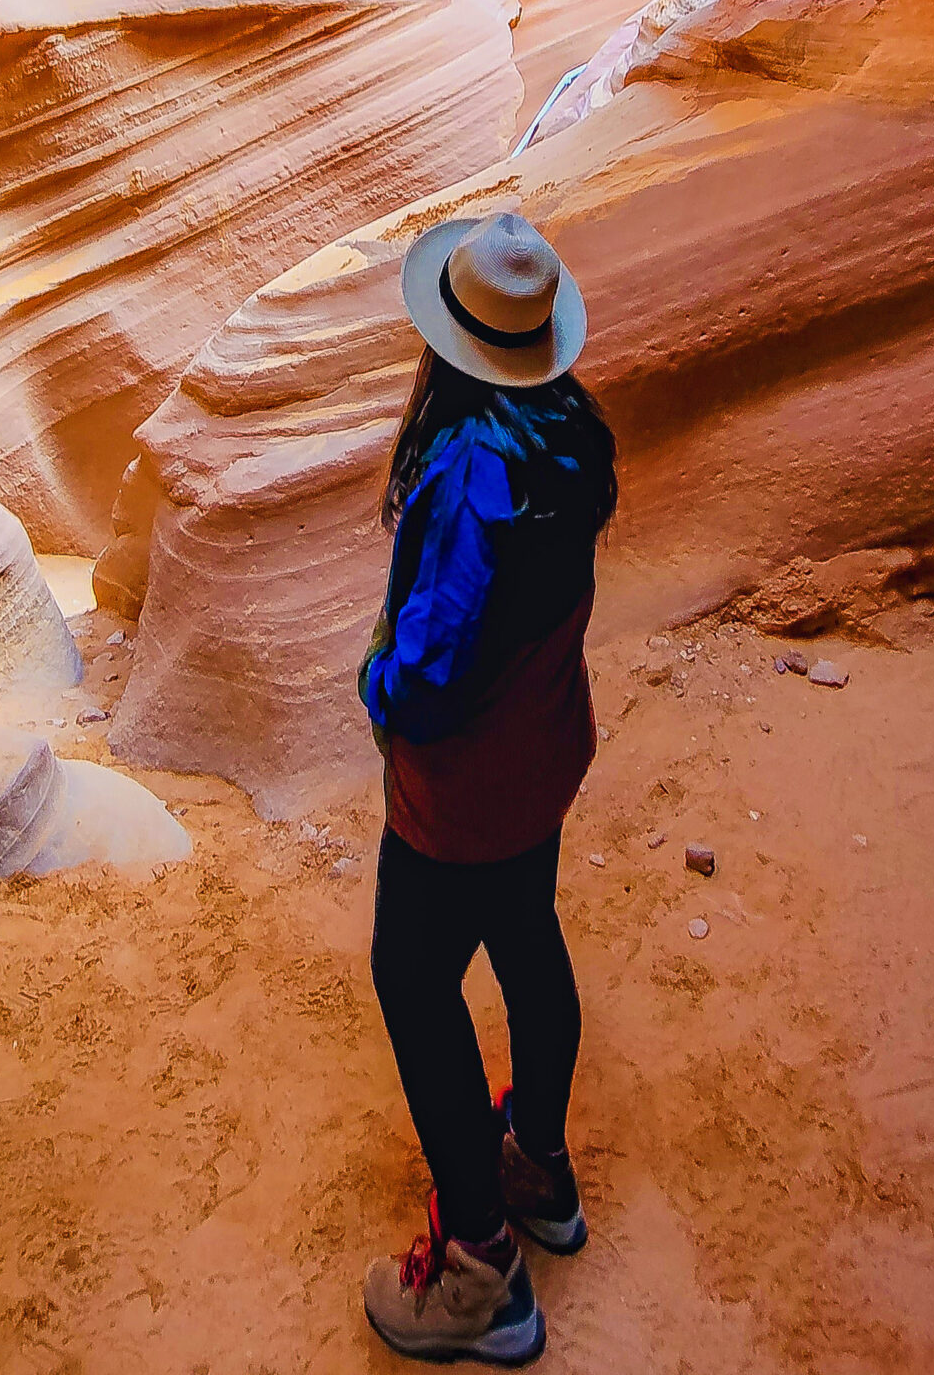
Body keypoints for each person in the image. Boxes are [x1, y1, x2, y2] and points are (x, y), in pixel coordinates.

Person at [357, 210, 618, 1364]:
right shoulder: (574, 431)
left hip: (460, 793)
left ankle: (479, 1271)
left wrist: (377, 689)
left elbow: (433, 655)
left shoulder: (473, 467)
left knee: (412, 983)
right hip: (544, 758)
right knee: (526, 938)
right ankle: (540, 1175)